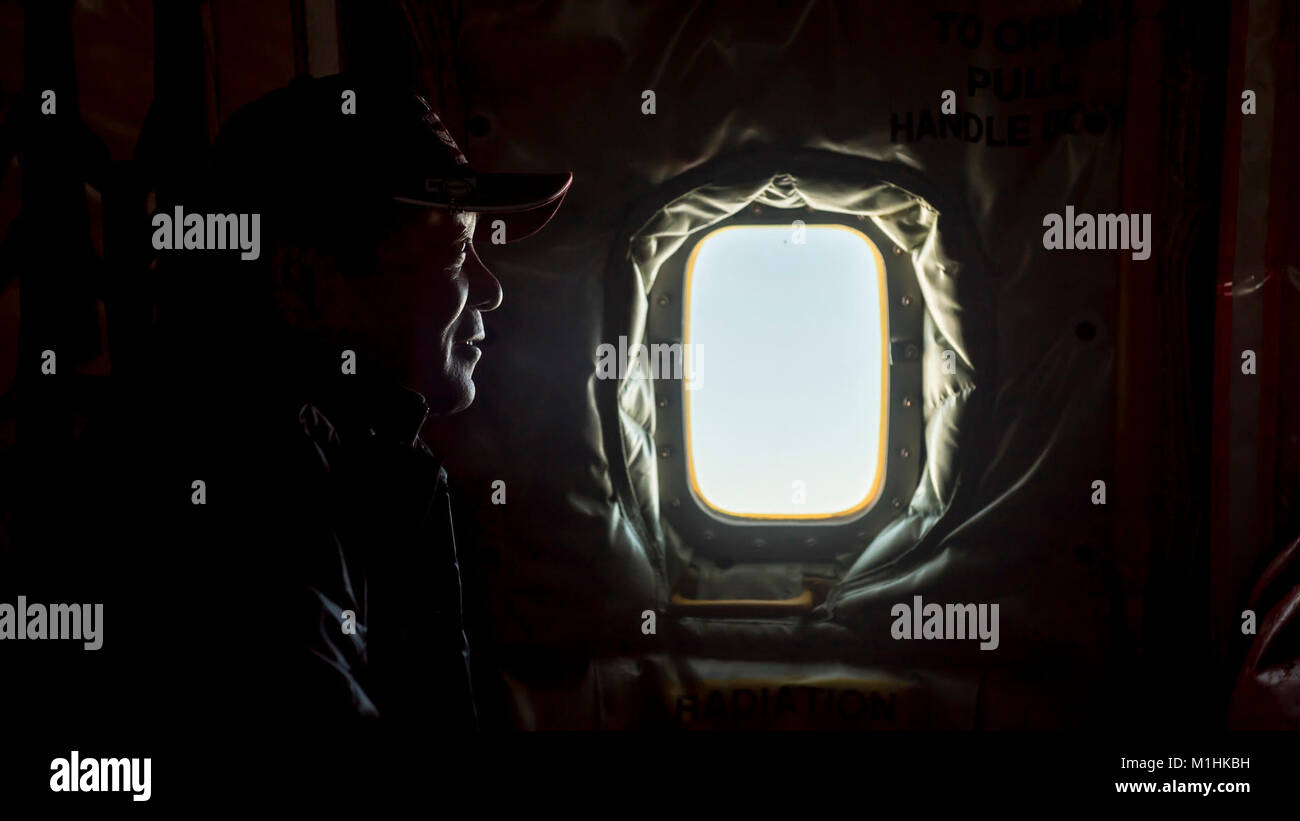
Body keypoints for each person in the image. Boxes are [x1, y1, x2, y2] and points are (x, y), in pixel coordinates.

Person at [163, 72, 572, 728]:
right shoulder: (251, 477)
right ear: (304, 284)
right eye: (455, 255)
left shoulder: (365, 458)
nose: (490, 291)